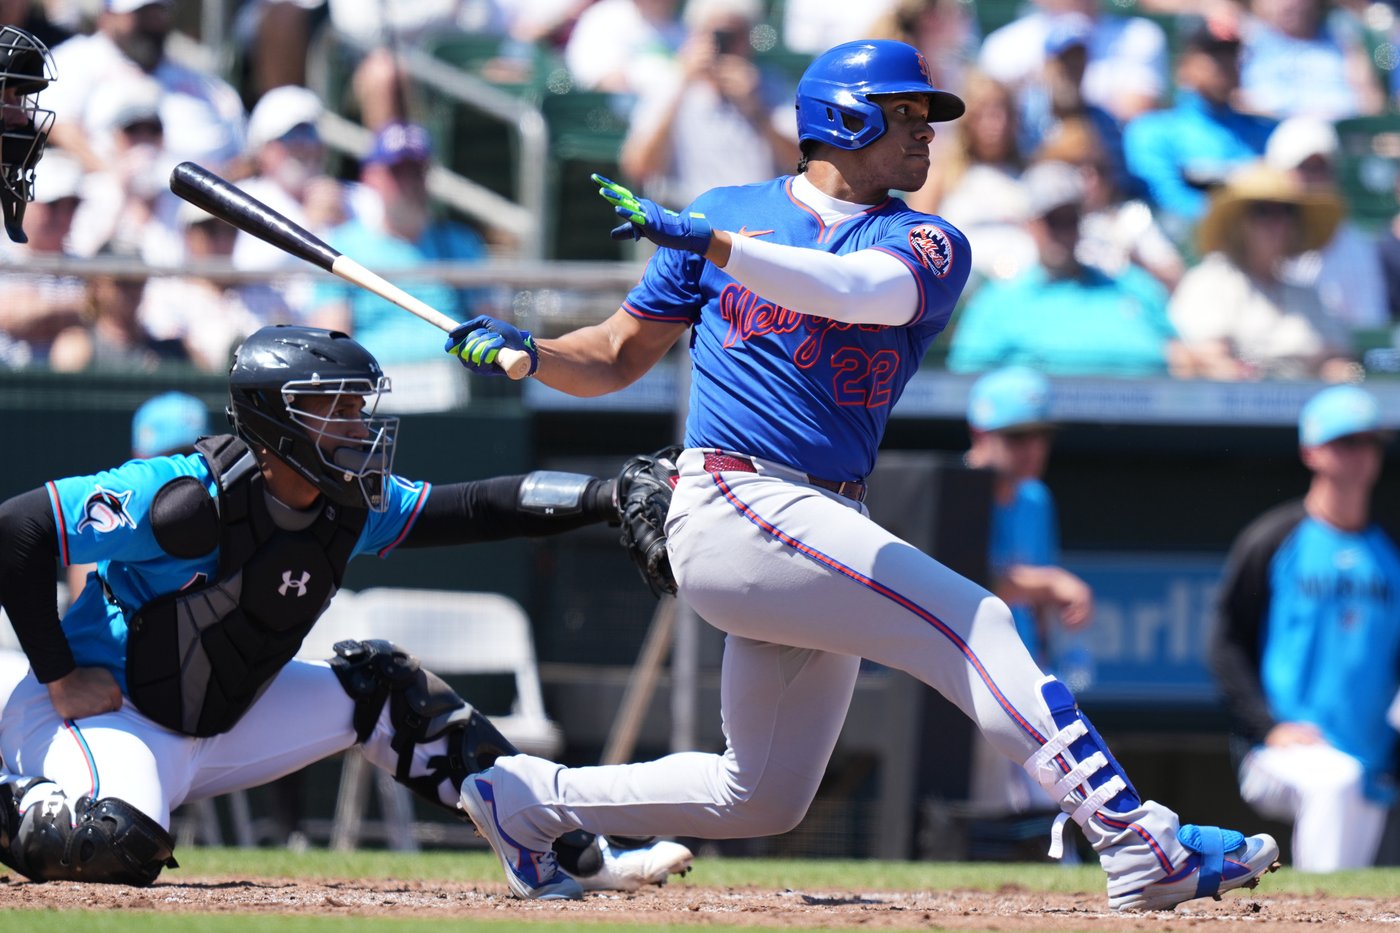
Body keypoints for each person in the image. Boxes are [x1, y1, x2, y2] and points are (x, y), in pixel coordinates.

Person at [443, 39, 1280, 909]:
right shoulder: (727, 212)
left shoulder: (926, 238)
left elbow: (848, 291)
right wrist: (529, 350)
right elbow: (615, 354)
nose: (926, 134)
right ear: (843, 118)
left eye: (927, 116)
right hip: (738, 497)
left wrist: (718, 245)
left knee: (760, 792)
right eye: (906, 113)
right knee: (978, 622)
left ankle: (527, 797)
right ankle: (1133, 838)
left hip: (819, 516)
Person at [0, 324, 692, 893]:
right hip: (103, 711)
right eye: (336, 407)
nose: (358, 424)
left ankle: (567, 851)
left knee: (384, 689)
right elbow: (18, 529)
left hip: (220, 720)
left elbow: (479, 505)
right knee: (119, 843)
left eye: (359, 405)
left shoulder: (350, 505)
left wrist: (605, 494)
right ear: (277, 417)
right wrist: (58, 672)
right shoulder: (182, 495)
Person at [1209, 384, 1400, 872]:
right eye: (1345, 442)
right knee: (1331, 784)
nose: (1360, 455)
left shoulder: (1389, 551)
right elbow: (1226, 642)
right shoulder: (1276, 538)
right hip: (1283, 748)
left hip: (1370, 751)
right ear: (1311, 450)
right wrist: (1267, 727)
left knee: (1350, 886)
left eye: (1368, 442)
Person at [962, 366, 1093, 820]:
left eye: (1039, 436)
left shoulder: (1036, 498)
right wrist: (1050, 582)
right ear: (981, 433)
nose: (1032, 450)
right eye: (1017, 437)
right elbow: (966, 580)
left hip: (1024, 672)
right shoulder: (958, 490)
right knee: (990, 804)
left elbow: (1036, 599)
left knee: (1060, 796)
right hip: (964, 674)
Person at [946, 160, 1185, 378]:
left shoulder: (1131, 285)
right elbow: (965, 382)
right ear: (1031, 224)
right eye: (1053, 221)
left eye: (1069, 219)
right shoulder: (999, 301)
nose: (1062, 232)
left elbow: (1180, 354)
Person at [309, 121, 492, 367]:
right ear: (371, 177)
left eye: (415, 171)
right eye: (397, 172)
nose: (408, 183)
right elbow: (330, 344)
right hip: (376, 388)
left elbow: (490, 326)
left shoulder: (459, 242)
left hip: (456, 390)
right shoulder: (344, 247)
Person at [1168, 162, 1356, 381]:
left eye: (1287, 212)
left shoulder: (1306, 293)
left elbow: (1335, 359)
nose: (1278, 223)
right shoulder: (1209, 282)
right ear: (1238, 224)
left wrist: (1342, 373)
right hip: (1235, 409)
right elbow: (1204, 360)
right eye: (1263, 212)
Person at [618, 0, 799, 210]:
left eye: (734, 35)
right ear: (695, 35)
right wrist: (682, 85)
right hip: (685, 220)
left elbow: (802, 167)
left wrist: (757, 111)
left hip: (756, 218)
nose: (725, 46)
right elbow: (639, 167)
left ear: (749, 38)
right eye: (716, 34)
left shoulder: (770, 88)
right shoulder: (669, 85)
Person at [43, 0, 246, 176]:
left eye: (156, 13)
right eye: (140, 14)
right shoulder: (74, 60)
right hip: (106, 198)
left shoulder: (202, 82)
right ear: (108, 15)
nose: (150, 24)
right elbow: (58, 127)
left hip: (197, 203)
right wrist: (114, 176)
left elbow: (243, 150)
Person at [1121, 16, 1276, 245]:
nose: (1224, 64)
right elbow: (1169, 202)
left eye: (1231, 55)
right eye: (1213, 55)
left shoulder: (1263, 134)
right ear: (1184, 64)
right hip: (1184, 251)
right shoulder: (1152, 132)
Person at [1265, 115, 1388, 332]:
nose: (1316, 179)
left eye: (1323, 168)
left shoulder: (1356, 244)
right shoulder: (1254, 236)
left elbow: (1366, 328)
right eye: (1306, 168)